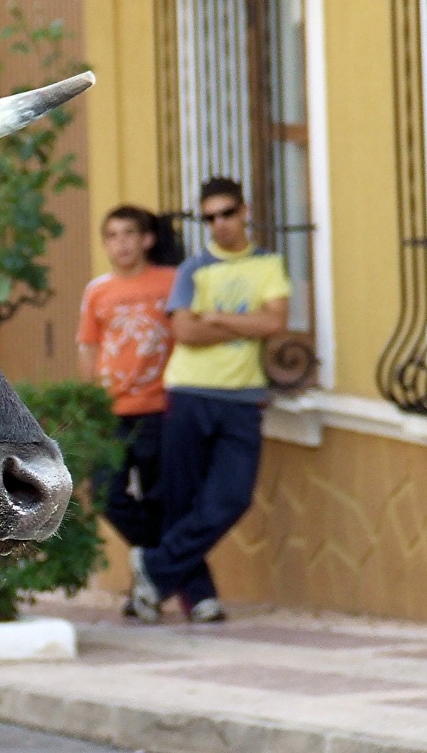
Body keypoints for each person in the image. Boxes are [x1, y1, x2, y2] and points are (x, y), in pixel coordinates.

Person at [130, 176, 291, 624]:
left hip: (242, 397)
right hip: (188, 393)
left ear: (245, 211)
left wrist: (217, 316)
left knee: (232, 497)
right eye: (210, 218)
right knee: (182, 501)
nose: (219, 224)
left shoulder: (268, 265)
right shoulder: (193, 270)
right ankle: (198, 597)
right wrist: (245, 320)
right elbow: (185, 332)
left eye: (226, 213)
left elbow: (275, 323)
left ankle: (154, 568)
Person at [77, 205, 179, 616]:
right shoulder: (98, 291)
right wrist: (92, 401)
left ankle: (147, 583)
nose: (121, 244)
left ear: (147, 240)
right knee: (106, 493)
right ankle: (154, 556)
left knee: (159, 496)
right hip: (113, 411)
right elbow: (88, 346)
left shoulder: (169, 282)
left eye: (129, 234)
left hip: (160, 407)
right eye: (112, 236)